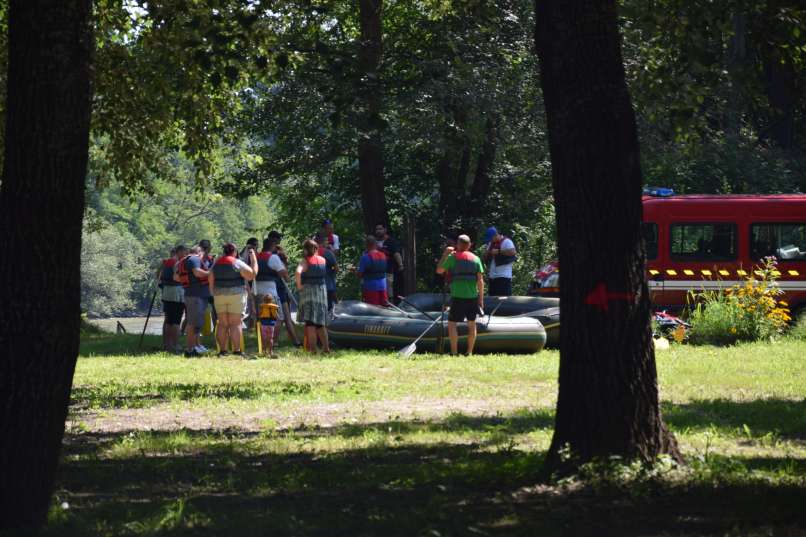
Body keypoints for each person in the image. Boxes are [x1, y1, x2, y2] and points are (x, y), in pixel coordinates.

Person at [436, 234, 485, 355]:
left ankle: (454, 352)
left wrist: (445, 254)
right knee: (471, 324)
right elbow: (480, 281)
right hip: (472, 297)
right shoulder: (476, 259)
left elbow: (439, 270)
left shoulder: (453, 258)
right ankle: (469, 352)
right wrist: (481, 299)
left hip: (458, 297)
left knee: (452, 324)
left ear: (458, 244)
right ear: (469, 245)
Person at [208, 242, 257, 356]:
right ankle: (236, 350)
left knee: (222, 324)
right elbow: (252, 275)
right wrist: (253, 258)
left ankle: (222, 351)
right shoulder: (237, 262)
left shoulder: (216, 263)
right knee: (235, 323)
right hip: (236, 295)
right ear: (234, 252)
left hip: (219, 295)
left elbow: (210, 277)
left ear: (224, 251)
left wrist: (212, 292)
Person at [267, 231, 302, 346]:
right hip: (278, 288)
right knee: (282, 318)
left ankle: (294, 341)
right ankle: (276, 341)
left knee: (285, 317)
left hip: (278, 288)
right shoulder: (275, 256)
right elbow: (285, 274)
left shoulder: (270, 255)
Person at [295, 239, 331, 353]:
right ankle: (326, 348)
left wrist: (299, 286)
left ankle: (313, 350)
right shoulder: (323, 260)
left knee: (310, 324)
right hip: (321, 292)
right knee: (320, 323)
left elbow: (298, 272)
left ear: (305, 249)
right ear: (316, 249)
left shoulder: (305, 261)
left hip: (309, 293)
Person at [254, 237, 290, 348]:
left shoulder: (256, 257)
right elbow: (283, 272)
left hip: (257, 291)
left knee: (260, 318)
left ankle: (262, 343)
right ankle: (273, 342)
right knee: (278, 317)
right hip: (270, 291)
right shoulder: (273, 257)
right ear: (273, 245)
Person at [175, 245, 211, 357]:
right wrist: (211, 273)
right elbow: (197, 272)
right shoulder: (194, 259)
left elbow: (176, 277)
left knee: (196, 323)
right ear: (200, 252)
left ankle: (194, 347)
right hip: (196, 296)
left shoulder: (184, 261)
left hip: (192, 294)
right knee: (193, 323)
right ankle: (190, 350)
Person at [158, 245, 186, 352]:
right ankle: (175, 345)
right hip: (176, 293)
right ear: (179, 253)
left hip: (166, 292)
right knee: (176, 321)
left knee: (168, 320)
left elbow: (158, 277)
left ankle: (166, 344)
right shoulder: (178, 263)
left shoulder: (165, 263)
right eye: (184, 253)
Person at [482, 226, 516, 296]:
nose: (490, 241)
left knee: (504, 301)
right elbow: (485, 257)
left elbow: (513, 252)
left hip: (504, 277)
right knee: (492, 300)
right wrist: (487, 252)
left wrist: (499, 251)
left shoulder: (507, 241)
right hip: (493, 277)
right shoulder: (490, 244)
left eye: (491, 239)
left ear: (495, 235)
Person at [375, 223, 404, 303]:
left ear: (385, 230)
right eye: (377, 229)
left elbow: (396, 253)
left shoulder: (391, 241)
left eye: (380, 229)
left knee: (388, 288)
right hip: (376, 272)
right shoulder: (374, 242)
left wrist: (400, 264)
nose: (378, 231)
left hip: (388, 270)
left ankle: (390, 304)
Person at [357, 235, 389, 306]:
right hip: (383, 286)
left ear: (366, 245)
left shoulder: (365, 258)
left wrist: (355, 271)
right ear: (375, 244)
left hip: (370, 287)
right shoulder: (383, 255)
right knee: (384, 307)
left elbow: (360, 274)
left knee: (372, 309)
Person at [240, 237, 260, 329]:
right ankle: (250, 326)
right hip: (248, 281)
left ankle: (252, 326)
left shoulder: (248, 253)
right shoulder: (248, 253)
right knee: (251, 305)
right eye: (256, 245)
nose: (257, 247)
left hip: (251, 281)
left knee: (253, 305)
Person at [318, 236, 339, 314]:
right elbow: (336, 269)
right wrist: (332, 271)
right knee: (328, 308)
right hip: (327, 285)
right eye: (326, 241)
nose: (328, 243)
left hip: (313, 286)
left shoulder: (310, 253)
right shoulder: (327, 253)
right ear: (323, 241)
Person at [258, 294, 280, 358]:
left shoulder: (262, 306)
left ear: (263, 300)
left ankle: (264, 351)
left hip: (264, 324)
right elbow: (277, 316)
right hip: (271, 325)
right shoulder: (274, 307)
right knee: (270, 338)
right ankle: (270, 351)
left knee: (264, 338)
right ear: (272, 300)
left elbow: (260, 314)